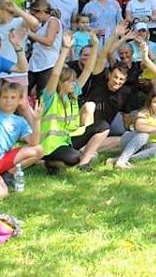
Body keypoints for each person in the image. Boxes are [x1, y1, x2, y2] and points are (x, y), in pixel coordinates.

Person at [39, 34, 108, 173]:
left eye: (73, 80)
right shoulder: (50, 96)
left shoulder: (73, 94)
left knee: (103, 126)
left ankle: (84, 164)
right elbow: (55, 74)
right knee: (73, 158)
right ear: (60, 83)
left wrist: (95, 45)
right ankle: (50, 162)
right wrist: (65, 48)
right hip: (51, 145)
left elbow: (88, 70)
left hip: (68, 139)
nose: (73, 83)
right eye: (69, 81)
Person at [108, 87, 156, 169]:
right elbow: (139, 126)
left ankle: (119, 159)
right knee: (144, 135)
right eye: (155, 102)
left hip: (146, 145)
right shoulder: (144, 113)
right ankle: (121, 161)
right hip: (130, 140)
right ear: (150, 103)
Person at [26, 0, 63, 96]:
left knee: (43, 94)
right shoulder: (42, 25)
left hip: (48, 64)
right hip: (35, 63)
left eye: (34, 15)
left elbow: (49, 41)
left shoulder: (53, 21)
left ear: (41, 12)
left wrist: (29, 33)